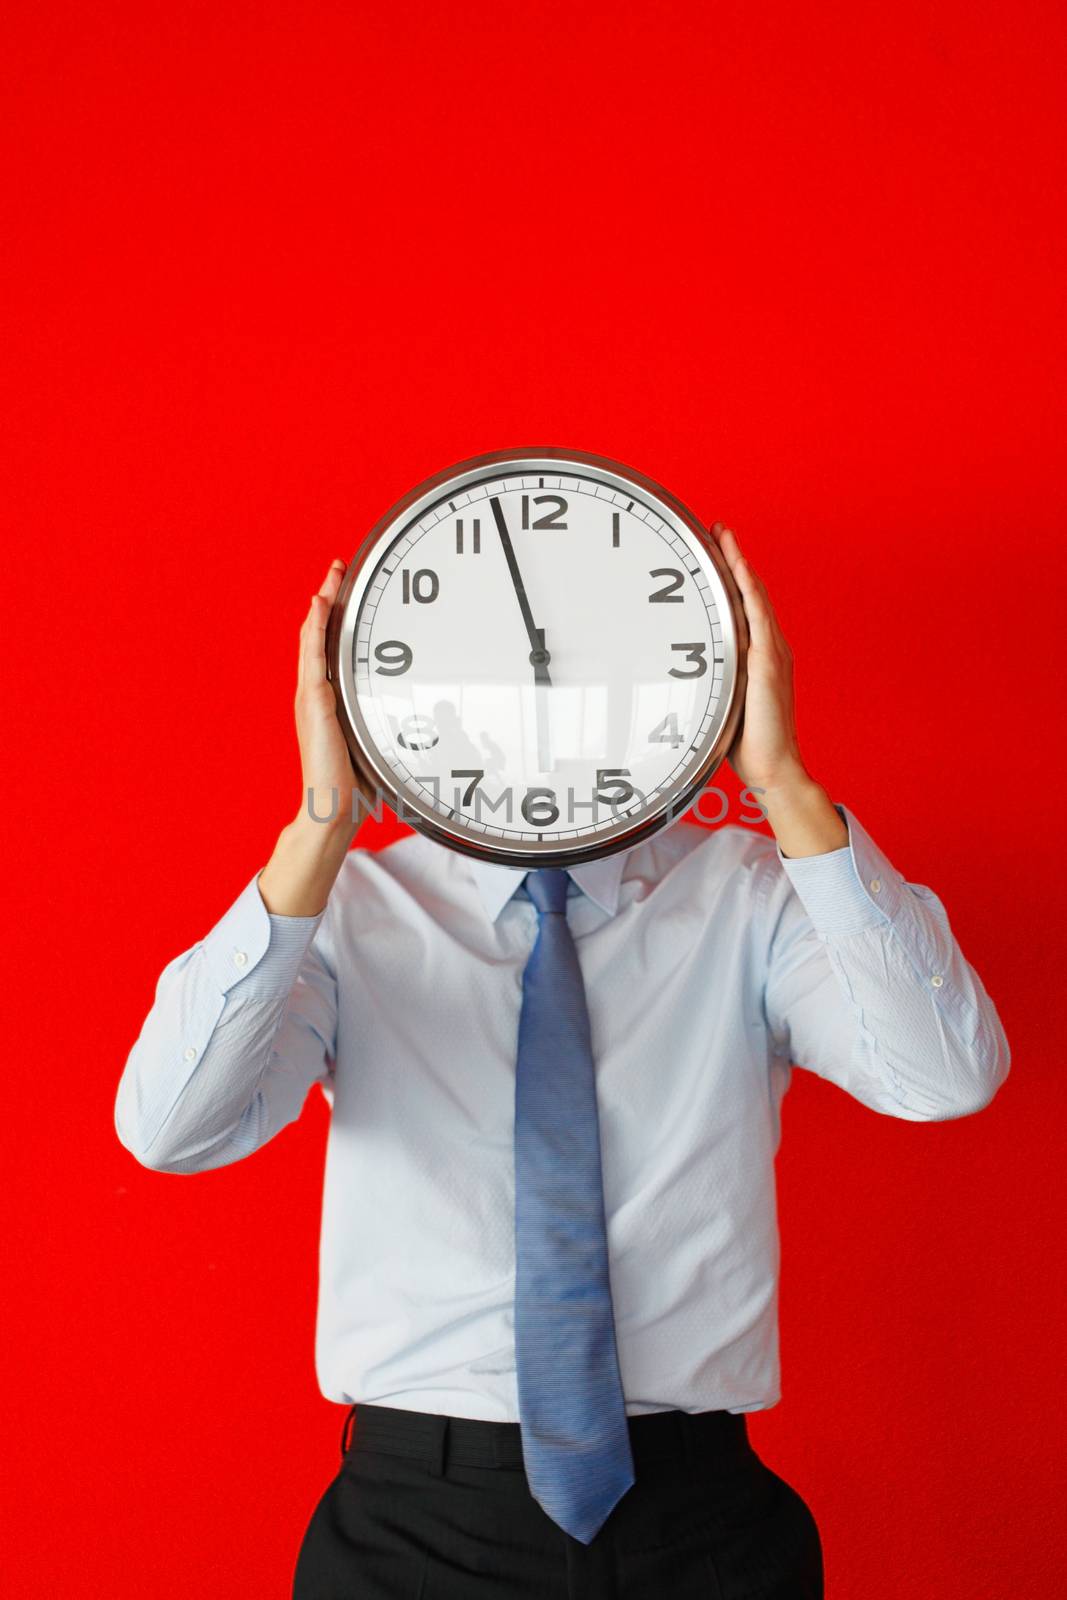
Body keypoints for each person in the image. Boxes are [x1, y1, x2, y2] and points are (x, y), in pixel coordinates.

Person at [114, 521, 1011, 1600]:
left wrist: (781, 784)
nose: (538, 704)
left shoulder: (747, 894)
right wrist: (318, 826)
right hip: (412, 1527)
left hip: (705, 1525)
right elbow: (170, 1127)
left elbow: (945, 1074)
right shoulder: (349, 912)